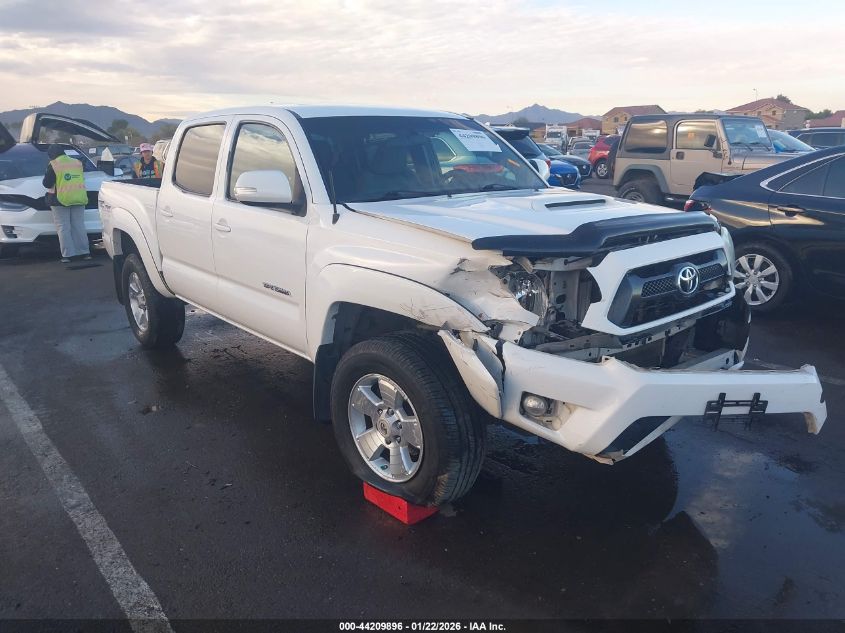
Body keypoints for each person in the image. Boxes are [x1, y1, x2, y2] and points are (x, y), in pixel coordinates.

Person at [42, 145, 91, 263]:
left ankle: (68, 255)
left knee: (63, 227)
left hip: (60, 199)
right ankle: (85, 252)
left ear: (51, 155)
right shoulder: (77, 163)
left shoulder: (54, 164)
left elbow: (47, 183)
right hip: (79, 197)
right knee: (79, 226)